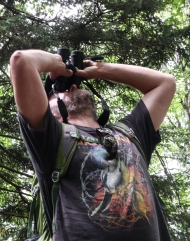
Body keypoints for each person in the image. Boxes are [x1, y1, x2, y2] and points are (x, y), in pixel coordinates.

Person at [9, 49, 176, 241]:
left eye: (73, 86)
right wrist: (57, 65)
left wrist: (100, 69)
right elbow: (21, 60)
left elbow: (165, 83)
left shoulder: (130, 132)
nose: (72, 88)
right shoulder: (50, 138)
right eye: (59, 91)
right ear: (49, 110)